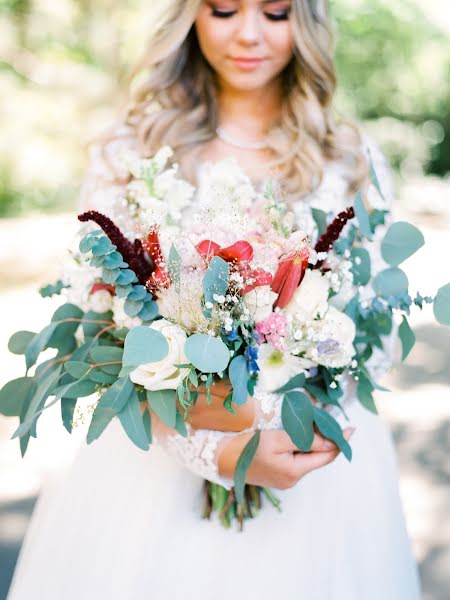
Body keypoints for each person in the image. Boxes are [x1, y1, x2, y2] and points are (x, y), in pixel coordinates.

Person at [7, 1, 422, 598]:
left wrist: (288, 427)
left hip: (312, 481)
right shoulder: (132, 151)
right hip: (154, 471)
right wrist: (218, 454)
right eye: (224, 8)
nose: (248, 34)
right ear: (189, 15)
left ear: (306, 22)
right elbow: (105, 323)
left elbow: (371, 332)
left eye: (276, 12)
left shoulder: (350, 160)